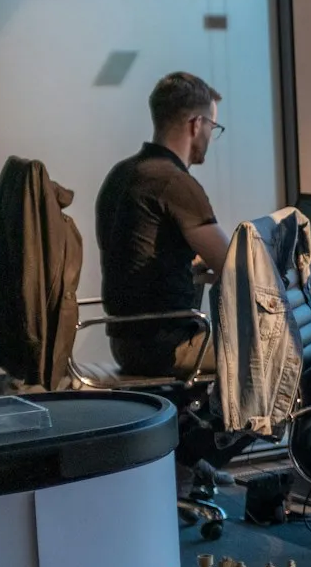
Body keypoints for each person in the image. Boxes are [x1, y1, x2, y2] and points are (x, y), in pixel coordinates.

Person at [95, 72, 230, 377]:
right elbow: (236, 264)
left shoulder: (121, 174)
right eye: (212, 126)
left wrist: (191, 272)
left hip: (126, 343)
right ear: (196, 124)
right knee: (282, 350)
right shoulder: (174, 182)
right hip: (169, 347)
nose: (211, 134)